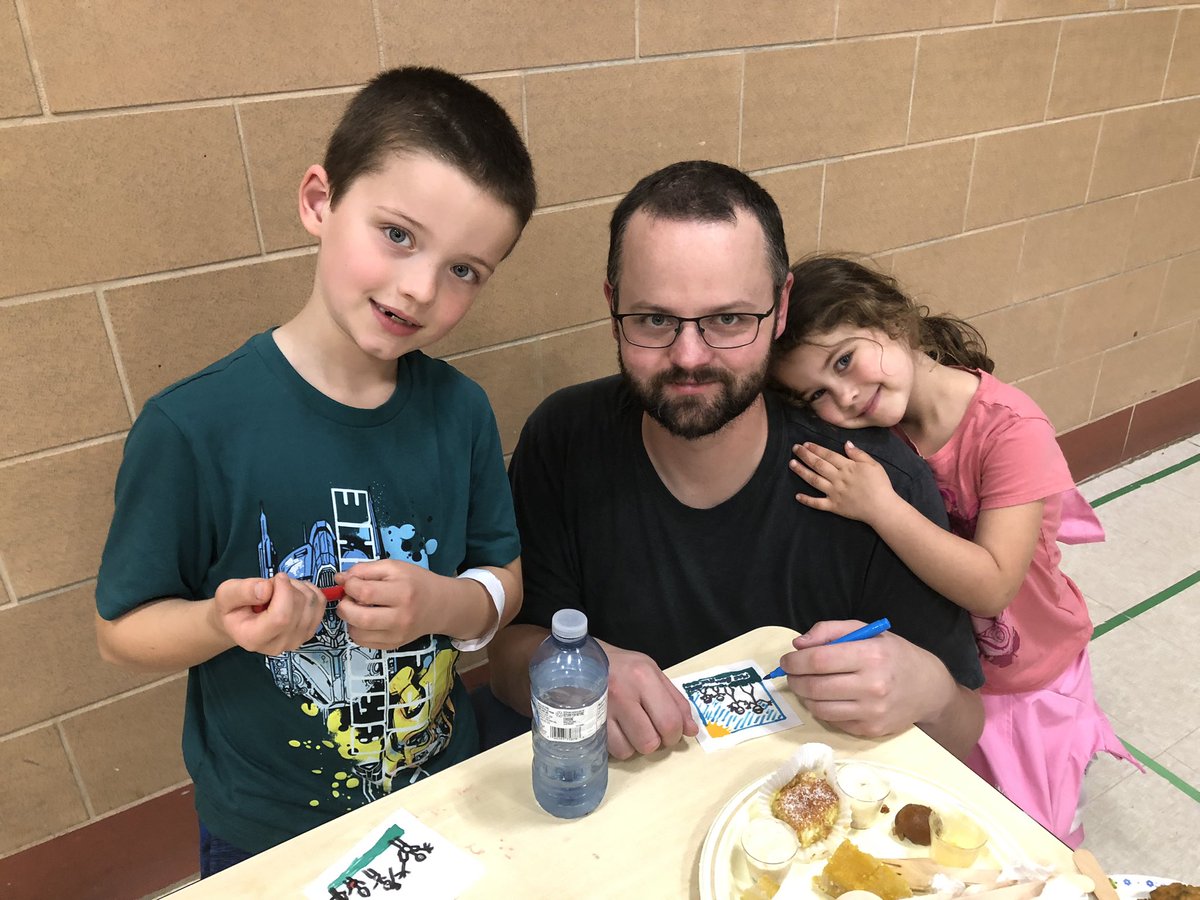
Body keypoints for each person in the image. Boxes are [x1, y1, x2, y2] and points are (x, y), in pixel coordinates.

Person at [94, 67, 536, 875]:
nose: (418, 288)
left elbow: (501, 576)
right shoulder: (192, 428)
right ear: (318, 201)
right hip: (268, 827)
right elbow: (121, 632)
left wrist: (443, 602)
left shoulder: (461, 410)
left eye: (464, 269)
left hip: (443, 790)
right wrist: (221, 622)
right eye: (397, 235)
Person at [487, 161, 985, 764]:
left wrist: (928, 691)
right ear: (612, 306)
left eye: (728, 319)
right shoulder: (564, 437)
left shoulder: (877, 484)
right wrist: (569, 673)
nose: (690, 357)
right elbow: (509, 658)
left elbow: (964, 729)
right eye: (654, 320)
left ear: (780, 308)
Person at [768, 254, 1134, 847]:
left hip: (1029, 677)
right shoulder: (880, 438)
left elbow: (992, 585)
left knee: (1034, 836)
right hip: (955, 680)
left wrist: (881, 506)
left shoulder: (1011, 428)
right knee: (959, 831)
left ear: (891, 321)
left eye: (845, 361)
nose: (846, 394)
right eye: (818, 395)